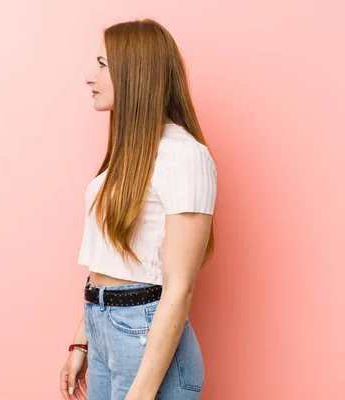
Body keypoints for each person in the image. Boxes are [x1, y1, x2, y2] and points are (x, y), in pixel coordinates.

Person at [60, 18, 218, 400]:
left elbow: (179, 286)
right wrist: (83, 339)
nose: (89, 76)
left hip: (143, 334)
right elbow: (111, 258)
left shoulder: (184, 156)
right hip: (103, 327)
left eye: (102, 64)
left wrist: (142, 393)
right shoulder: (127, 157)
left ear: (135, 73)